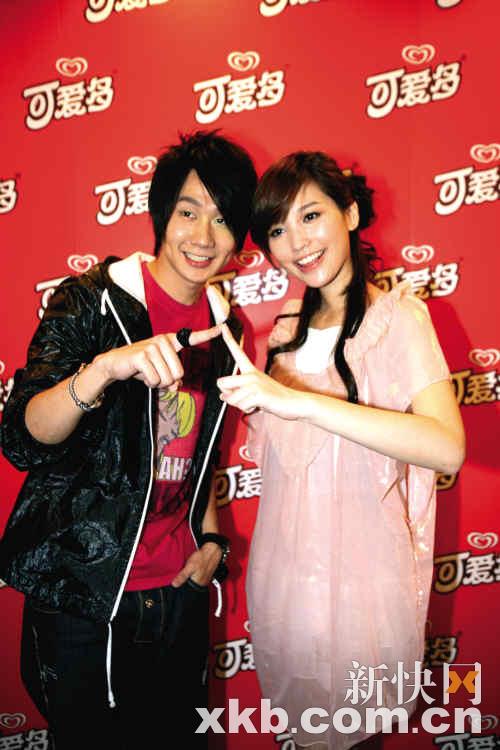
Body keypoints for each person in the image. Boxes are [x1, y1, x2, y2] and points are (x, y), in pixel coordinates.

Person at [0, 130, 257, 749]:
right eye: (188, 212)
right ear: (161, 214)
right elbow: (23, 438)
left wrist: (212, 542)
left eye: (223, 219)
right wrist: (104, 369)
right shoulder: (92, 302)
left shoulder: (228, 330)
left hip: (177, 593)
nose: (203, 237)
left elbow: (198, 456)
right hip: (86, 596)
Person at [217, 150, 465, 750]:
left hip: (364, 583)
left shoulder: (398, 318)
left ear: (350, 214)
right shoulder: (284, 332)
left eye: (311, 216)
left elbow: (446, 448)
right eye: (278, 229)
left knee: (356, 735)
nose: (297, 242)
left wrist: (303, 403)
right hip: (288, 580)